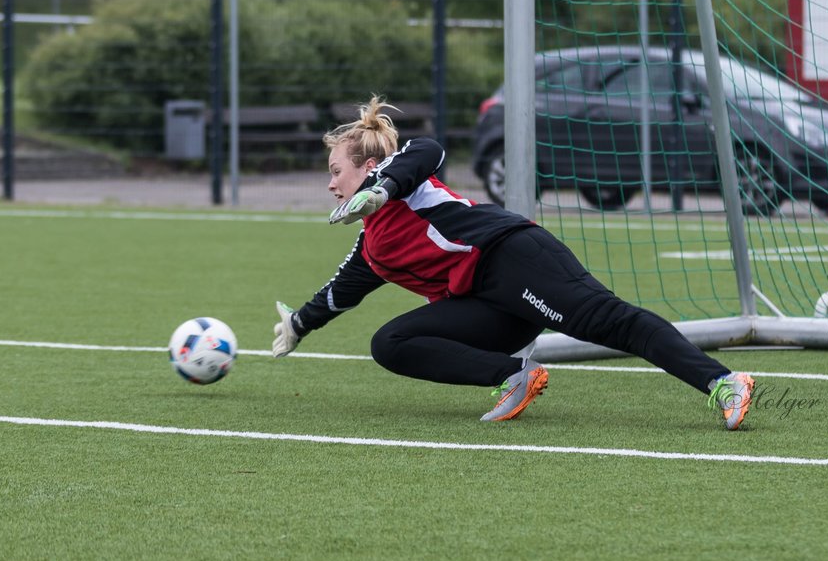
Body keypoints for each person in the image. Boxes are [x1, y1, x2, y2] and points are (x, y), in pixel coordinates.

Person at [272, 97, 754, 430]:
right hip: (489, 305)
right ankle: (512, 376)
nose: (331, 184)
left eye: (336, 171)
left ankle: (723, 382)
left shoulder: (406, 177)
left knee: (612, 323)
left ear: (369, 167)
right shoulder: (373, 243)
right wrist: (298, 323)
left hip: (516, 259)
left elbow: (427, 149)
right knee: (390, 343)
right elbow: (340, 292)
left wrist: (381, 189)